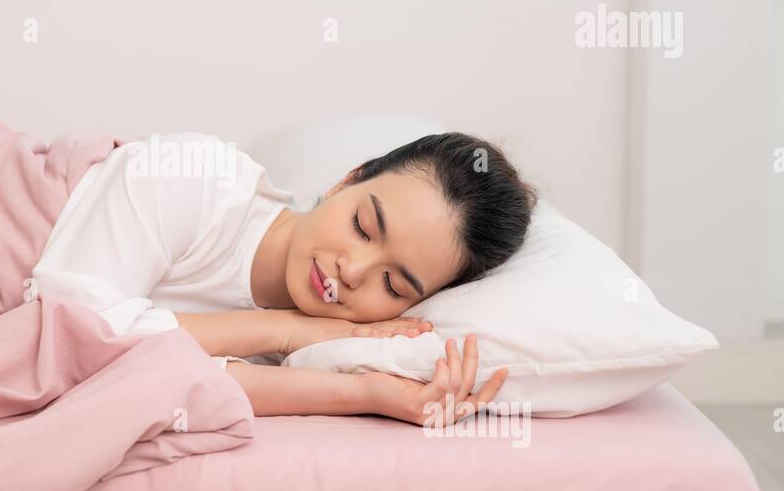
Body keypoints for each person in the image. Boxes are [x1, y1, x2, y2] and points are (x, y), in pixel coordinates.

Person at [29, 130, 539, 428]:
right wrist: (285, 328)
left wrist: (372, 396)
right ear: (349, 179)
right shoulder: (198, 179)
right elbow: (67, 326)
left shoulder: (319, 346)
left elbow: (182, 378)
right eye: (363, 226)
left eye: (394, 286)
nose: (353, 271)